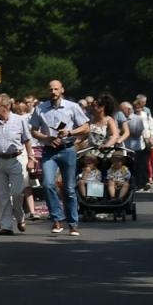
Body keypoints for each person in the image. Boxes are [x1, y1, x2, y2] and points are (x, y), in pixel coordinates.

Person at [29, 79, 92, 235]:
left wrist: (70, 132)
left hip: (67, 149)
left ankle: (73, 223)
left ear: (62, 90)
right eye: (51, 89)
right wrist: (47, 138)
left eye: (56, 89)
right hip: (49, 150)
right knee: (48, 184)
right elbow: (33, 130)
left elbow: (86, 127)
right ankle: (57, 219)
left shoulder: (72, 107)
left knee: (69, 188)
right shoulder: (40, 109)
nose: (53, 92)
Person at [0, 94, 32, 234]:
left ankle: (20, 216)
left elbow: (27, 140)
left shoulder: (19, 120)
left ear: (6, 107)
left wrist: (31, 158)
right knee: (2, 194)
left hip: (16, 159)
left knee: (17, 193)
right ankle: (6, 226)